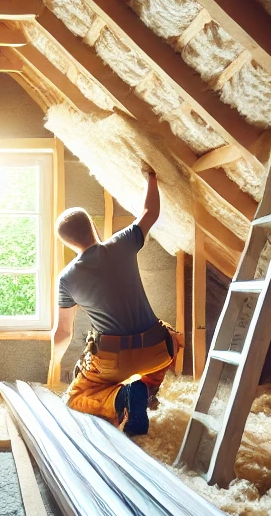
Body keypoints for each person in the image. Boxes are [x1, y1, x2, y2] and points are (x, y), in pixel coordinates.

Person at [52, 167, 184, 435]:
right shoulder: (122, 243)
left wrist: (54, 364)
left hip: (115, 362)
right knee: (173, 334)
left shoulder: (66, 279)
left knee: (76, 397)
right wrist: (151, 177)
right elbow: (151, 213)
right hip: (158, 351)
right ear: (93, 226)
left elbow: (63, 332)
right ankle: (146, 390)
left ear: (68, 242)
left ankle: (122, 399)